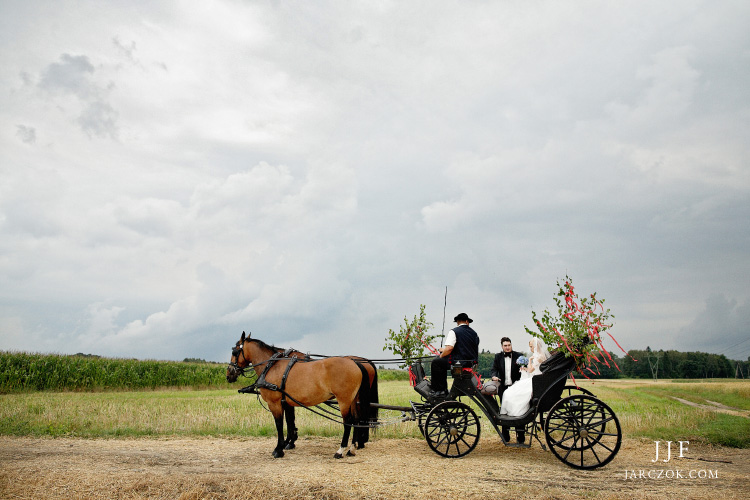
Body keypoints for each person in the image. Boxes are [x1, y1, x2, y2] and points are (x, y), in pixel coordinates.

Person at [428, 312, 480, 399]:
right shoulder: (474, 334)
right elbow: (463, 348)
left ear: (458, 322)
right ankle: (442, 389)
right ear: (467, 322)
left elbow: (449, 349)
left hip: (459, 364)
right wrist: (443, 350)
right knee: (441, 362)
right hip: (471, 364)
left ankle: (439, 390)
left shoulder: (454, 331)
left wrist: (441, 355)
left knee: (436, 362)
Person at [500, 338, 551, 418]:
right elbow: (531, 370)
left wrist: (530, 360)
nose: (530, 349)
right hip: (535, 378)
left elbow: (530, 370)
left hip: (536, 380)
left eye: (531, 346)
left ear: (536, 346)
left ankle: (514, 412)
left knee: (510, 392)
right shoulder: (539, 356)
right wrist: (524, 369)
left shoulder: (539, 357)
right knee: (511, 391)